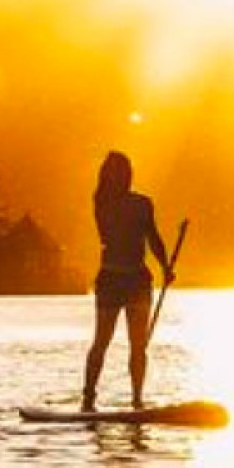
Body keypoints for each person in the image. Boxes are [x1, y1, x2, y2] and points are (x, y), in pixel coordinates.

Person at [82, 151, 174, 410]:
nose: (119, 176)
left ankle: (137, 399)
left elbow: (153, 237)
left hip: (138, 280)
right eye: (113, 171)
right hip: (111, 279)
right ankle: (88, 395)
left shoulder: (144, 204)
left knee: (138, 346)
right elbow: (110, 224)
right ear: (106, 175)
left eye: (122, 171)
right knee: (102, 341)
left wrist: (165, 266)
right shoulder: (101, 201)